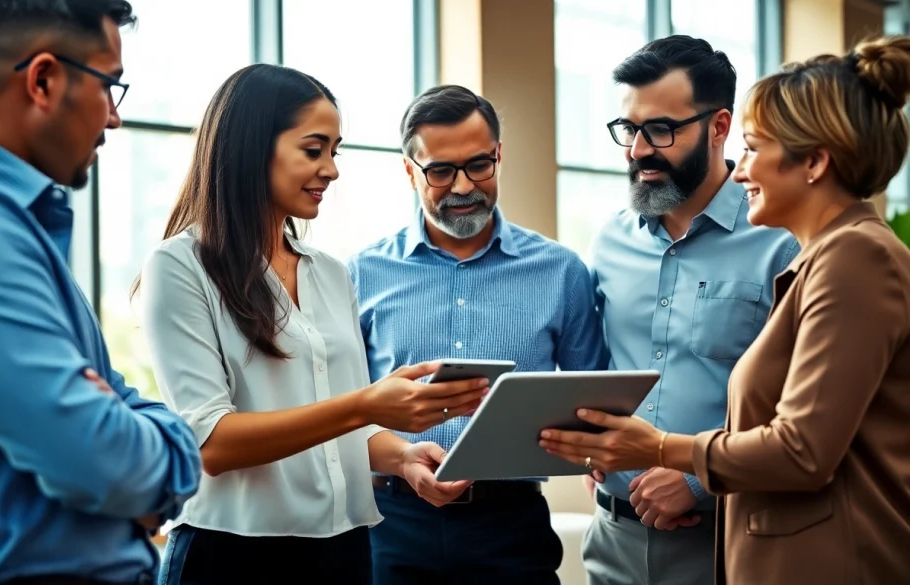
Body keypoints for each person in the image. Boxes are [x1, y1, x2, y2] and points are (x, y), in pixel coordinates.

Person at [541, 35, 910, 585]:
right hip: (632, 535)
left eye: (756, 148)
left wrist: (666, 453)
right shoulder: (834, 251)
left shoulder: (849, 254)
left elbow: (803, 446)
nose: (743, 170)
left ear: (814, 161)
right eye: (629, 130)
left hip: (787, 545)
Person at [135, 64, 490, 585]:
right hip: (230, 556)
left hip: (342, 552)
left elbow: (345, 423)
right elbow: (211, 442)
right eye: (313, 149)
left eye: (335, 150)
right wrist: (367, 404)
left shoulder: (329, 272)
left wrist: (403, 457)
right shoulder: (179, 266)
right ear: (253, 148)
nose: (331, 169)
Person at [0, 2, 203, 585]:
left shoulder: (8, 224)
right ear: (44, 80)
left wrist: (133, 434)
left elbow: (121, 405)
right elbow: (107, 463)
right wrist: (160, 452)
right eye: (109, 86)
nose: (114, 119)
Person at [347, 84, 605, 585]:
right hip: (391, 520)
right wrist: (400, 460)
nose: (463, 186)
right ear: (409, 171)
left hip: (512, 526)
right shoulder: (360, 274)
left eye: (478, 165)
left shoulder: (562, 271)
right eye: (441, 171)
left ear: (499, 156)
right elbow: (342, 412)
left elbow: (593, 403)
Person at [577, 35, 798, 585]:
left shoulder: (782, 244)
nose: (637, 151)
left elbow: (804, 406)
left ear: (719, 127)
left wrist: (698, 480)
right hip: (613, 540)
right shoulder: (609, 242)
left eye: (660, 130)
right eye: (629, 130)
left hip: (730, 539)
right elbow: (599, 365)